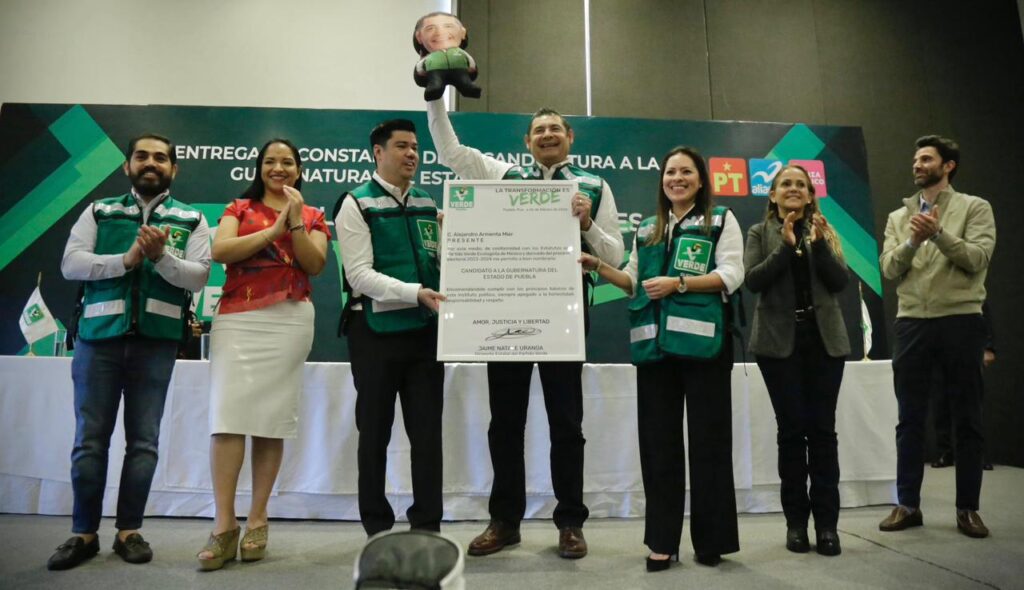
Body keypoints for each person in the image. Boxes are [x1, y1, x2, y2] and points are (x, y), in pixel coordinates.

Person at [427, 98, 624, 559]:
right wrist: (434, 98)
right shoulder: (504, 176)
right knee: (505, 423)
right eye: (539, 131)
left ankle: (570, 523)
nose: (548, 135)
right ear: (527, 142)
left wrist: (588, 223)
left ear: (570, 137)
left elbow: (615, 255)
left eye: (555, 129)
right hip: (506, 313)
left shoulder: (594, 185)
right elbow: (451, 152)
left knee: (567, 424)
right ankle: (505, 521)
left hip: (564, 316)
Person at [51, 134, 211, 570]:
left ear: (174, 169)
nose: (151, 163)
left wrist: (160, 258)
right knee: (89, 441)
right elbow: (71, 263)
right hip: (97, 341)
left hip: (156, 343)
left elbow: (198, 277)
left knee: (144, 443)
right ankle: (83, 534)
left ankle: (129, 532)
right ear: (127, 166)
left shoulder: (191, 218)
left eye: (160, 158)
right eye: (142, 156)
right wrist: (125, 259)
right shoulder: (100, 211)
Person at [579, 146, 742, 571]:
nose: (677, 179)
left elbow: (731, 275)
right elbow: (632, 280)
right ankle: (662, 542)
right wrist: (598, 265)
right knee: (658, 448)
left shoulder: (720, 220)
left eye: (686, 172)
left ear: (701, 180)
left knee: (709, 446)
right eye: (670, 172)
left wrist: (679, 284)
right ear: (662, 181)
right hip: (655, 354)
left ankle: (712, 541)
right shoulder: (649, 228)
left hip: (705, 350)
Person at [196, 139, 329, 570]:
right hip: (238, 318)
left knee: (271, 420)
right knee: (228, 418)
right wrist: (272, 231)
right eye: (270, 161)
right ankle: (223, 524)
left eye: (287, 162)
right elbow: (221, 251)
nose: (278, 168)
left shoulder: (313, 215)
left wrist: (294, 222)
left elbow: (314, 264)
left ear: (299, 170)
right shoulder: (238, 208)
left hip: (290, 320)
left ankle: (257, 517)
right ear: (259, 168)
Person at [878, 135, 995, 539]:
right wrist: (913, 240)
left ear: (948, 166)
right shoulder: (899, 217)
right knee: (909, 418)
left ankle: (968, 509)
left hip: (961, 319)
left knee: (967, 418)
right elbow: (889, 268)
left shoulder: (975, 207)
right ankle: (907, 505)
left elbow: (978, 258)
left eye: (926, 159)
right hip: (912, 321)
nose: (917, 164)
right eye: (915, 159)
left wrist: (939, 233)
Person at [335, 119, 446, 537]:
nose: (412, 154)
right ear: (378, 153)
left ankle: (427, 525)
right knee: (374, 433)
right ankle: (377, 527)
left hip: (424, 333)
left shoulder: (427, 201)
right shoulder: (356, 202)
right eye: (401, 146)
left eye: (415, 147)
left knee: (427, 434)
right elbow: (359, 275)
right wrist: (415, 292)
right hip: (374, 335)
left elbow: (438, 261)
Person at [744, 165, 850, 556]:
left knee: (823, 432)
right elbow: (753, 280)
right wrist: (785, 247)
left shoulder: (825, 230)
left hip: (824, 342)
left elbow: (839, 282)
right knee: (791, 433)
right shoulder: (759, 232)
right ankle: (796, 524)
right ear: (772, 194)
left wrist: (818, 246)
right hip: (777, 344)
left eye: (801, 185)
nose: (793, 188)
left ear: (810, 195)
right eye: (785, 183)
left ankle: (827, 526)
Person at [931, 301, 995, 470]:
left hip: (967, 343)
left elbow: (981, 307)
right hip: (938, 346)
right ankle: (945, 451)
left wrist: (988, 347)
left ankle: (976, 454)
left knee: (971, 403)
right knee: (940, 401)